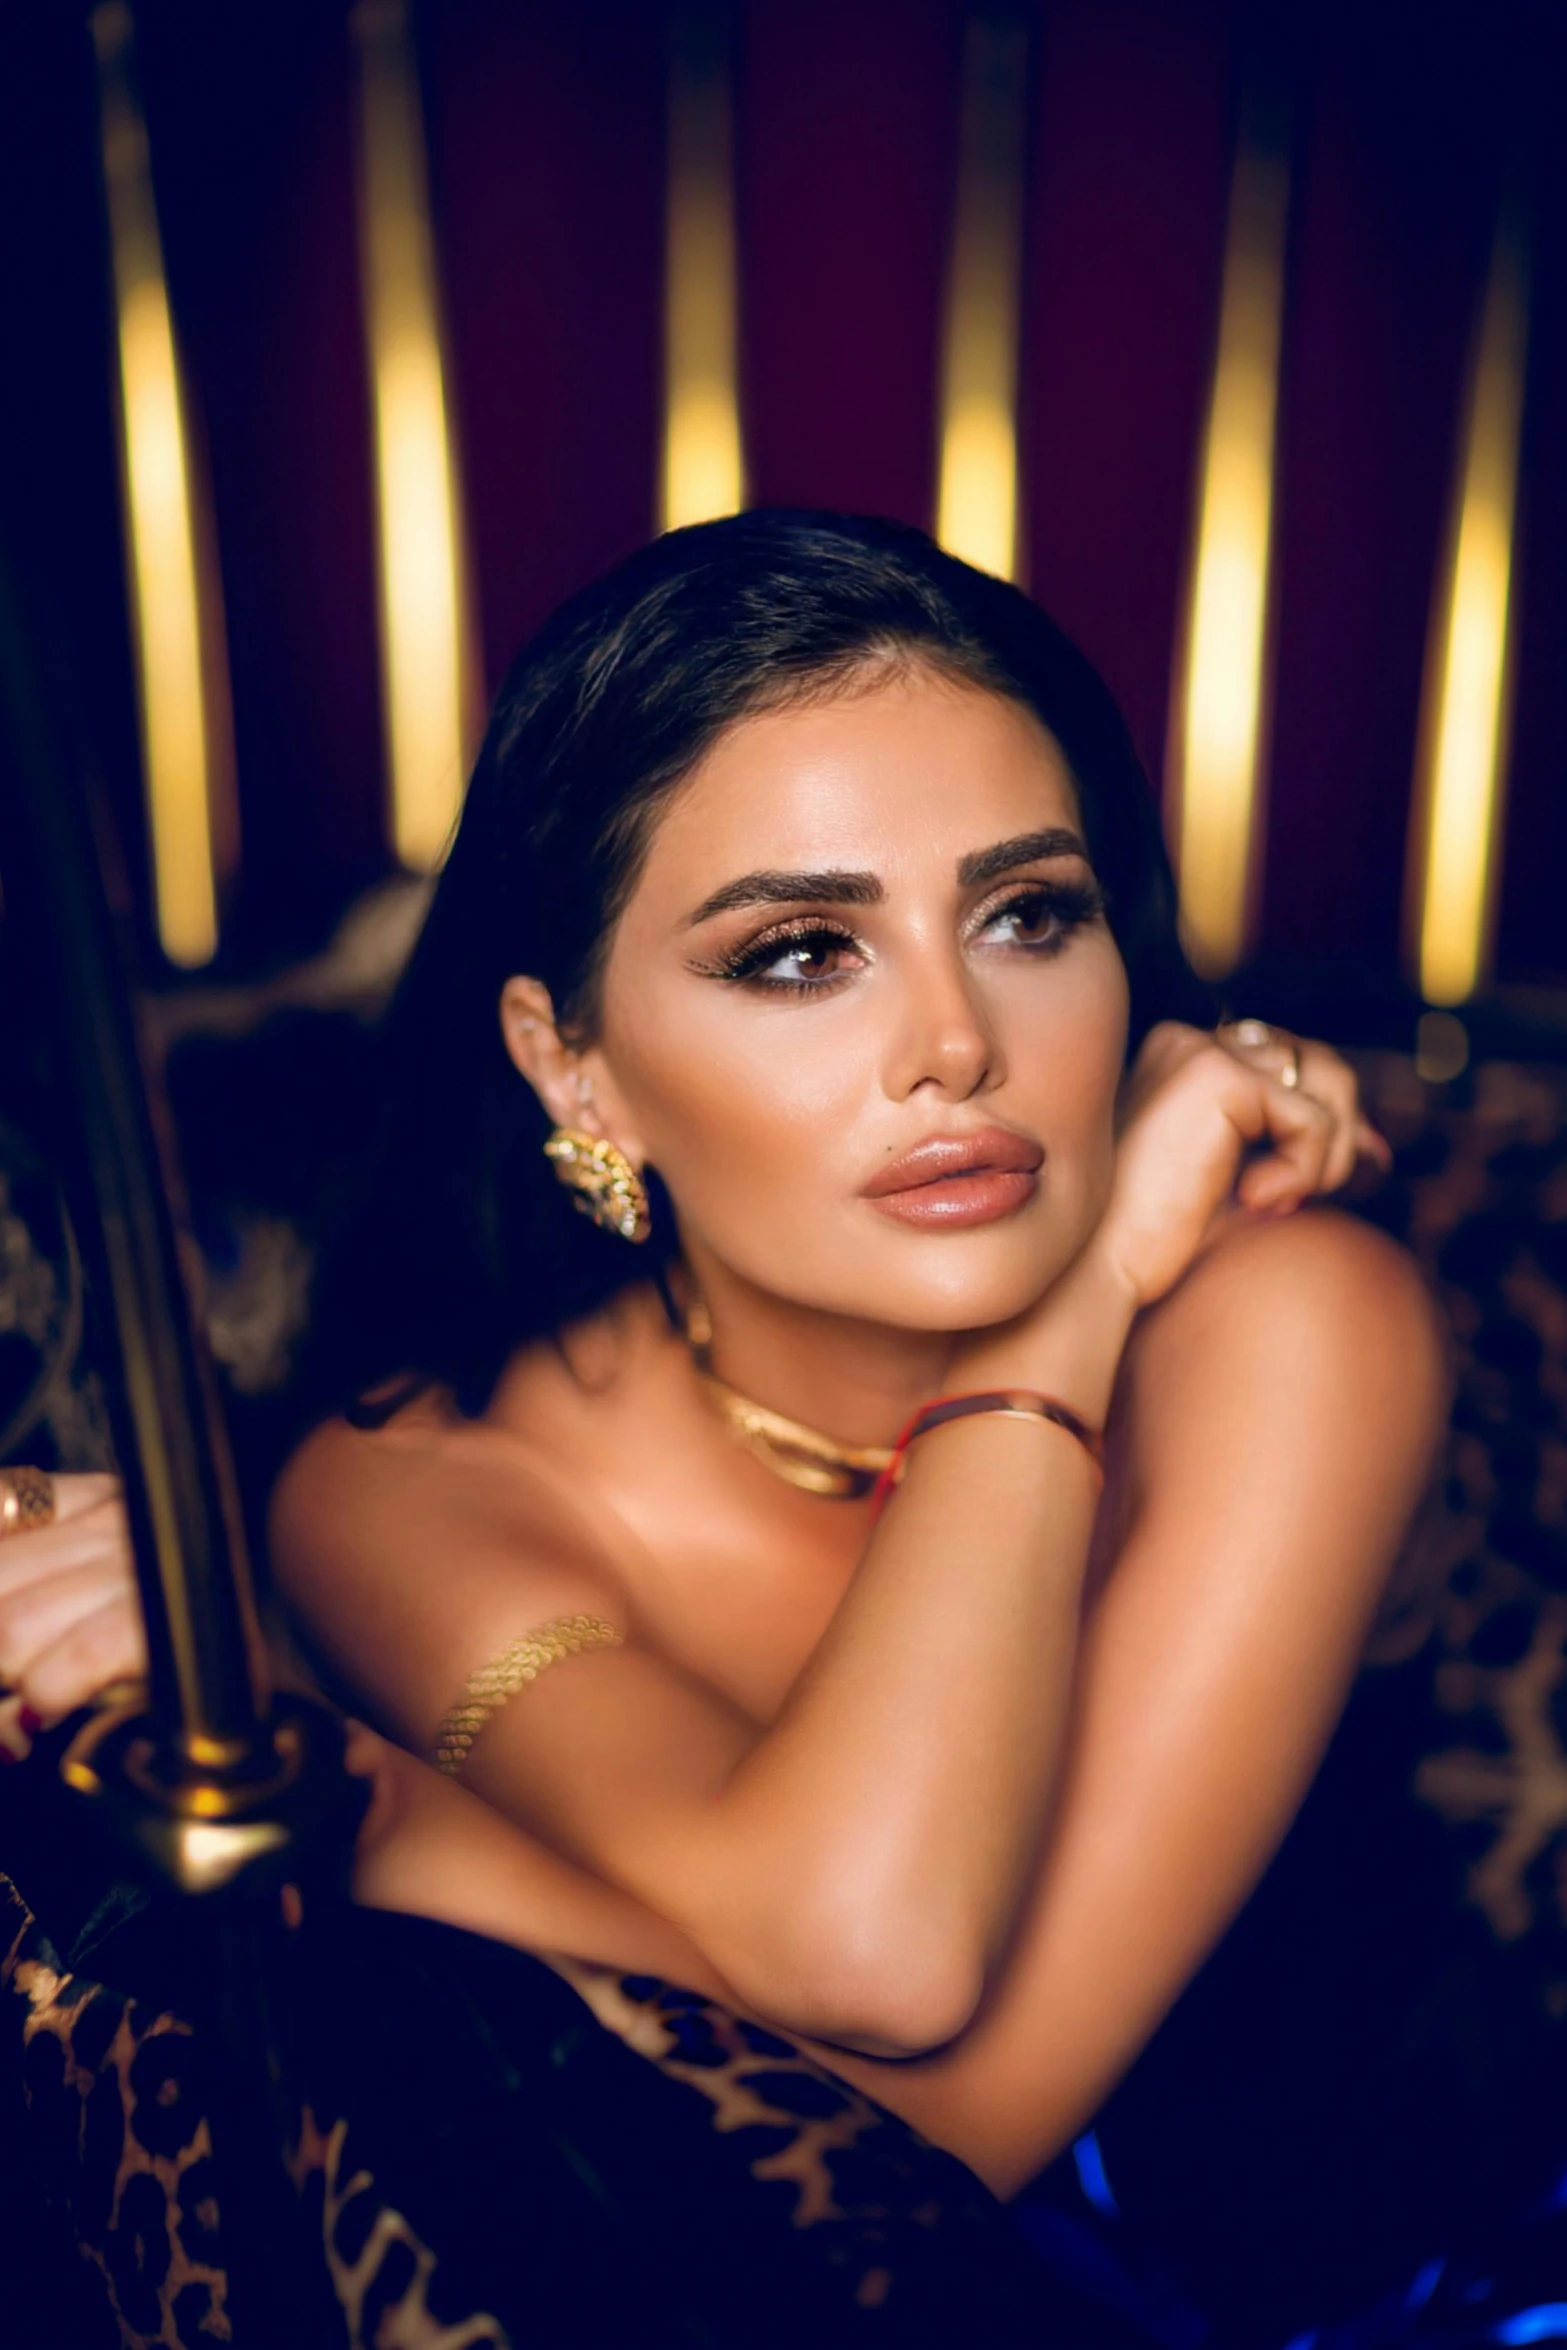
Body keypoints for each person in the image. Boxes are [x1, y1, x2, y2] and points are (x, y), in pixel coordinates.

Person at [0, 513, 1447, 2298]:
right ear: (571, 1062)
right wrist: (346, 1774)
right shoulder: (416, 1483)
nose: (956, 1043)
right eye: (796, 951)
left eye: (1023, 914)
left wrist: (1064, 1310)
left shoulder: (1291, 1316)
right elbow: (860, 1994)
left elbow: (928, 2083)